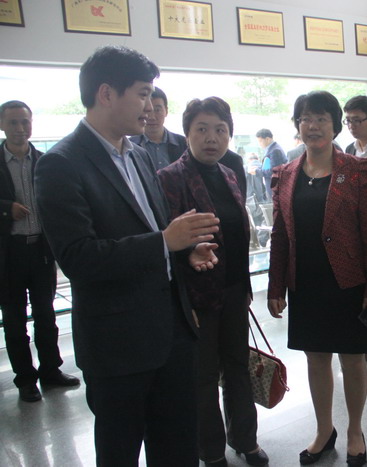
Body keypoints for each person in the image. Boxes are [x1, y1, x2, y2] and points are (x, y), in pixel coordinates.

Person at [34, 45, 220, 466]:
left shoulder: (136, 154)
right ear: (106, 94)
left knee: (178, 449)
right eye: (142, 94)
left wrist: (184, 253)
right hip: (118, 346)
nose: (150, 107)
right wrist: (165, 243)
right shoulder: (61, 164)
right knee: (120, 452)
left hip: (172, 333)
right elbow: (78, 258)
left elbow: (153, 231)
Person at [267, 90, 367, 467]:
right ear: (297, 125)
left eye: (321, 118)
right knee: (315, 358)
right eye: (305, 118)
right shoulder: (285, 173)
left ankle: (355, 431)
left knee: (353, 359)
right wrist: (275, 285)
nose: (312, 125)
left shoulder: (358, 170)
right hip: (305, 282)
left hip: (348, 283)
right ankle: (324, 429)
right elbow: (280, 233)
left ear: (335, 125)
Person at [158, 97, 268, 467]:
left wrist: (245, 288)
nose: (212, 138)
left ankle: (245, 440)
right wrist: (186, 259)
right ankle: (211, 451)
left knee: (237, 366)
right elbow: (163, 240)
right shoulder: (169, 178)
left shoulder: (229, 173)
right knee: (203, 376)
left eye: (220, 130)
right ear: (187, 133)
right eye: (202, 129)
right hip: (196, 297)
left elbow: (238, 235)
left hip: (234, 290)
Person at [0, 100, 80, 403]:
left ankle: (50, 370)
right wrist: (6, 209)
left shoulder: (46, 162)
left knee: (46, 315)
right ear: (2, 125)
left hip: (42, 251)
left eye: (25, 122)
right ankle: (25, 379)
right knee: (15, 320)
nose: (20, 129)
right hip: (9, 254)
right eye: (13, 122)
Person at [129, 86, 187, 170]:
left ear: (166, 111)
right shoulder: (130, 146)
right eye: (148, 110)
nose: (152, 117)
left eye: (157, 110)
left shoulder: (184, 143)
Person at [250, 128, 287, 200]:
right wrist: (258, 168)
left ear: (267, 139)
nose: (259, 144)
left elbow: (274, 171)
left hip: (276, 188)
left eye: (260, 141)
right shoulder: (271, 149)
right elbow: (267, 166)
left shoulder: (275, 151)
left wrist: (257, 171)